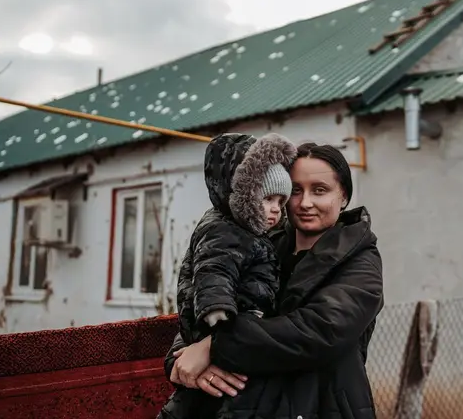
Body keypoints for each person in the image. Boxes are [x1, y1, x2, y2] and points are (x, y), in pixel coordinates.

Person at [163, 142, 384, 418]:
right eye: (295, 191)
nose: (305, 203)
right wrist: (182, 355)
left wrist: (214, 347)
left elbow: (318, 331)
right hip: (247, 406)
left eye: (320, 190)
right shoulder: (260, 243)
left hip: (322, 406)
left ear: (344, 197)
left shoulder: (360, 259)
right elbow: (204, 298)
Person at [158, 132, 297, 418]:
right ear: (245, 194)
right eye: (268, 198)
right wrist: (217, 311)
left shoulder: (256, 234)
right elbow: (213, 270)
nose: (275, 210)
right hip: (223, 325)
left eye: (281, 202)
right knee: (202, 404)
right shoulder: (225, 231)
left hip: (237, 340)